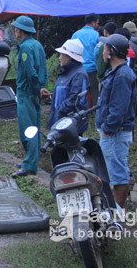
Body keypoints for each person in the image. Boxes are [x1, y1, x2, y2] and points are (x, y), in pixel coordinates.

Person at [95, 34, 136, 209]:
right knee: (112, 170)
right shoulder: (116, 72)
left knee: (118, 172)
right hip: (112, 131)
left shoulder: (122, 76)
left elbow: (119, 107)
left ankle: (118, 213)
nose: (103, 51)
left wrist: (108, 128)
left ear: (111, 52)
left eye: (105, 48)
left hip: (115, 132)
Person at [11, 16, 49, 177]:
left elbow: (29, 72)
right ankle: (31, 160)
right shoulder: (37, 45)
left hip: (27, 92)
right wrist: (42, 87)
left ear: (20, 30)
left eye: (15, 29)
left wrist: (35, 88)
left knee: (27, 130)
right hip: (36, 91)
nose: (14, 31)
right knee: (35, 127)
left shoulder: (25, 48)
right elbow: (44, 70)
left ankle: (30, 165)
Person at [46, 39, 89, 135]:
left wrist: (61, 110)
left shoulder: (79, 75)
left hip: (70, 124)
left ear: (69, 57)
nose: (59, 58)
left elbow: (76, 100)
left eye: (62, 54)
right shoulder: (65, 72)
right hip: (61, 121)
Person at [72, 13, 100, 107]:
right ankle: (95, 109)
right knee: (95, 89)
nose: (97, 25)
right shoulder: (96, 34)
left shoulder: (76, 34)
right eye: (97, 22)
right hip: (92, 68)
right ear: (93, 22)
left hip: (79, 67)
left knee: (79, 89)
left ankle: (79, 108)